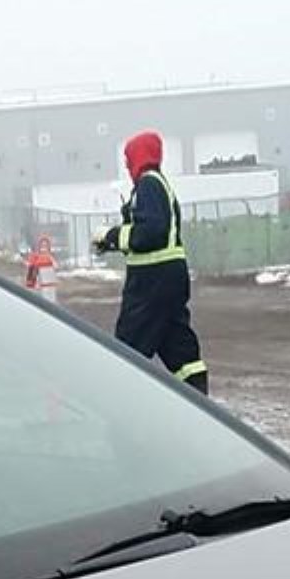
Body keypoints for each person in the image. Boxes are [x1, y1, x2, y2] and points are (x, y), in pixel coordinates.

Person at [94, 130, 206, 391]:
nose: (126, 164)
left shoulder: (148, 184)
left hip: (150, 282)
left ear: (138, 157)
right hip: (170, 278)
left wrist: (110, 235)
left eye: (128, 158)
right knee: (177, 345)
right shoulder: (156, 184)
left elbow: (150, 232)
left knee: (128, 346)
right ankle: (198, 400)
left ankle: (125, 405)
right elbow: (150, 232)